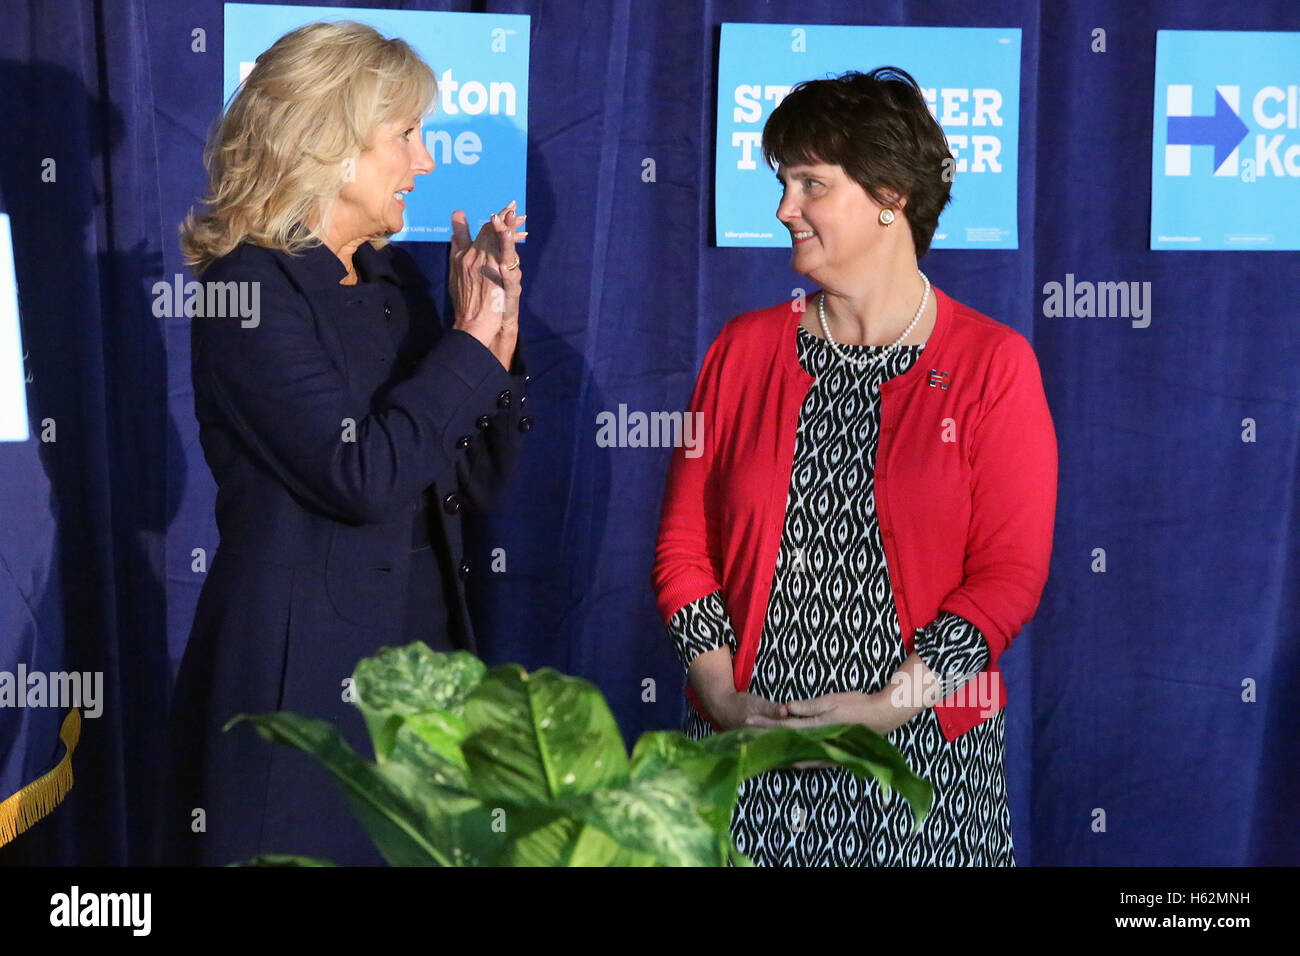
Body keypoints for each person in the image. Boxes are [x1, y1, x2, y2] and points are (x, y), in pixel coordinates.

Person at [652, 67, 1057, 866]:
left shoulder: (992, 364)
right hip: (746, 762)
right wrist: (727, 699)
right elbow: (681, 550)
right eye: (782, 181)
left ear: (889, 197)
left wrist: (886, 707)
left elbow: (1009, 574)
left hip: (923, 767)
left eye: (811, 184)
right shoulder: (741, 351)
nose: (783, 209)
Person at [157, 21, 531, 866]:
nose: (426, 162)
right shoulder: (248, 289)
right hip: (302, 687)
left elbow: (471, 479)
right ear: (329, 141)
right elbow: (357, 475)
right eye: (405, 136)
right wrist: (465, 351)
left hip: (422, 681)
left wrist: (496, 333)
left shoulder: (391, 280)